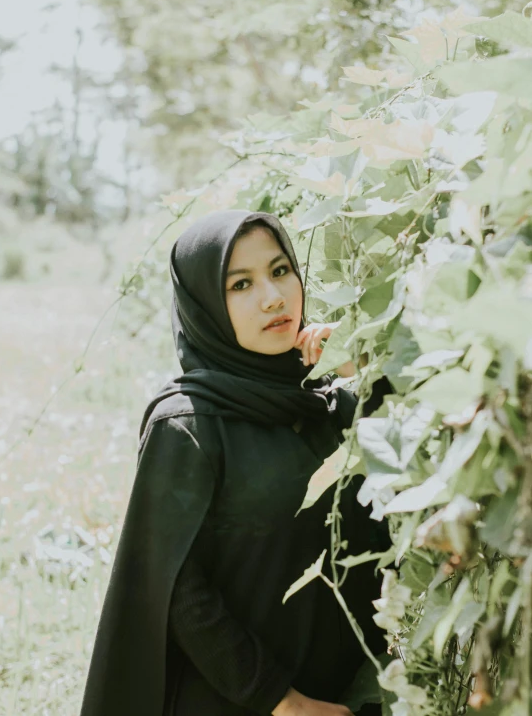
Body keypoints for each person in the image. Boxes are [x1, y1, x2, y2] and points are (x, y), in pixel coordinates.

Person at [79, 209, 392, 716]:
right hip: (240, 702)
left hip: (352, 697)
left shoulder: (328, 404)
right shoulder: (188, 425)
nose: (273, 297)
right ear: (203, 305)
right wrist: (282, 702)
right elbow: (179, 591)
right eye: (240, 284)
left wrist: (370, 367)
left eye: (280, 270)